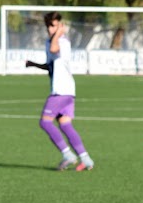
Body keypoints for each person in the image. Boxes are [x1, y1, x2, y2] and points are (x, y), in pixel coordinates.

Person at [25, 11, 94, 171]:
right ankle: (86, 159)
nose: (51, 29)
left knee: (45, 122)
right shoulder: (51, 42)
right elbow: (51, 65)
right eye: (49, 26)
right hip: (67, 90)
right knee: (65, 124)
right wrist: (34, 64)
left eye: (54, 26)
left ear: (60, 26)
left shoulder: (61, 41)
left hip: (61, 90)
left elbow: (55, 49)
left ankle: (68, 155)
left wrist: (58, 34)